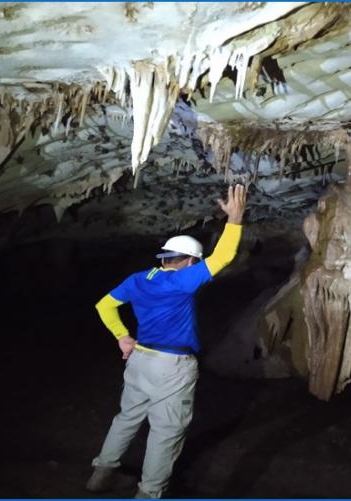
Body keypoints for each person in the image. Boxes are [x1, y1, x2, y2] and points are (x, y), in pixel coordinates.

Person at [86, 184, 248, 499]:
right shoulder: (183, 281)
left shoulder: (138, 279)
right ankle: (149, 493)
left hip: (139, 361)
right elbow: (225, 255)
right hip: (171, 367)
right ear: (188, 260)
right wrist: (235, 218)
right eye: (194, 262)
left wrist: (123, 337)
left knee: (127, 418)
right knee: (166, 431)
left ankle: (101, 476)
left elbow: (103, 305)